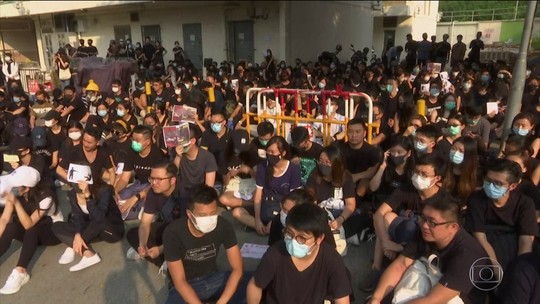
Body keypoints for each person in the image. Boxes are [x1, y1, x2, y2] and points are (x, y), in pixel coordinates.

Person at [368, 198, 489, 304]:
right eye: (423, 218)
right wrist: (376, 298)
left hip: (455, 297)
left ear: (453, 227)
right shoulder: (426, 233)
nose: (425, 225)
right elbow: (401, 264)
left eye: (432, 222)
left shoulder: (468, 254)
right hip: (430, 284)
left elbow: (433, 300)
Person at [247, 203, 352, 304]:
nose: (293, 241)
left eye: (302, 238)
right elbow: (255, 286)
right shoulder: (275, 253)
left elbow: (342, 299)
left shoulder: (332, 259)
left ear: (319, 238)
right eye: (289, 234)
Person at [163, 184, 247, 304]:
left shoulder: (223, 226)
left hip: (215, 278)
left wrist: (222, 302)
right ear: (189, 214)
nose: (209, 218)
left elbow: (237, 269)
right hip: (187, 285)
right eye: (202, 215)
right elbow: (180, 281)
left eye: (213, 213)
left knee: (254, 283)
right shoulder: (173, 232)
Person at [372, 154, 447, 276]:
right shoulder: (406, 189)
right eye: (416, 172)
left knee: (412, 227)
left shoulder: (443, 201)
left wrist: (400, 248)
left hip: (426, 245)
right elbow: (379, 213)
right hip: (403, 235)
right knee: (387, 217)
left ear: (437, 178)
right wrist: (386, 241)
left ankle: (397, 255)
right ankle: (376, 268)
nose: (418, 177)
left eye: (424, 174)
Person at [0, 166, 63, 294]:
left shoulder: (46, 197)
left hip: (53, 232)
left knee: (32, 229)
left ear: (27, 188)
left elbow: (29, 224)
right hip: (32, 233)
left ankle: (21, 272)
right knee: (11, 227)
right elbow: (4, 219)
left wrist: (16, 203)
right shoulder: (17, 194)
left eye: (15, 185)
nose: (11, 188)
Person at [466, 159, 538, 270]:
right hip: (486, 249)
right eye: (488, 180)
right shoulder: (476, 199)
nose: (491, 186)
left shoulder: (525, 204)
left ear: (512, 186)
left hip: (512, 247)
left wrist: (518, 270)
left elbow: (526, 241)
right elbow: (480, 237)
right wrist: (495, 267)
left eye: (498, 183)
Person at [232, 136, 301, 234]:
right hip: (266, 204)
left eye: (273, 152)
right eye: (268, 151)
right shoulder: (263, 166)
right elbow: (258, 195)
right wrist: (257, 219)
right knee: (237, 212)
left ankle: (273, 227)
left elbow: (294, 199)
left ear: (283, 153)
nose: (270, 155)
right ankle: (264, 227)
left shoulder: (293, 169)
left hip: (283, 207)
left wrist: (276, 219)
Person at [52, 177, 123, 272]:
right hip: (90, 228)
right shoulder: (72, 193)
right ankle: (87, 253)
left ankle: (73, 245)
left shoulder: (104, 190)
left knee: (98, 221)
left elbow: (99, 217)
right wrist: (77, 234)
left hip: (110, 229)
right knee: (56, 226)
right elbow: (77, 216)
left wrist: (88, 196)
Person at [126, 162, 182, 269]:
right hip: (169, 228)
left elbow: (187, 230)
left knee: (183, 245)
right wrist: (142, 244)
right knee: (132, 234)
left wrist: (161, 249)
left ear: (173, 180)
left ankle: (166, 260)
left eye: (159, 179)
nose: (154, 183)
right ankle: (165, 259)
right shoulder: (153, 192)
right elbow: (145, 222)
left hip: (184, 232)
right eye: (151, 178)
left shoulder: (184, 194)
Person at [114, 125, 167, 220]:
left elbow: (158, 183)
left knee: (137, 208)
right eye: (133, 139)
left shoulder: (158, 155)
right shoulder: (130, 152)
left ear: (148, 142)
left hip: (153, 186)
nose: (134, 142)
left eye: (137, 140)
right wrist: (115, 191)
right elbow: (124, 179)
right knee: (118, 203)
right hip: (138, 184)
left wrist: (137, 197)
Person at [333, 118, 381, 200]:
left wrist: (355, 177)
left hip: (362, 184)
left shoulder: (372, 151)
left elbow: (372, 172)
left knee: (364, 183)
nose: (354, 135)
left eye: (358, 132)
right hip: (343, 180)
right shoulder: (339, 149)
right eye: (351, 131)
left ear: (364, 133)